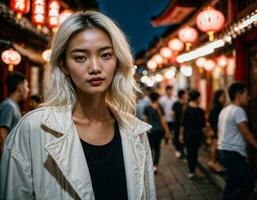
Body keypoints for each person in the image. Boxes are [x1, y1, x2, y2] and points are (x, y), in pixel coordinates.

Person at [0, 11, 156, 200]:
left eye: (106, 55)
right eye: (81, 57)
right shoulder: (34, 129)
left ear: (117, 60)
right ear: (63, 65)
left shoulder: (136, 132)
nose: (95, 67)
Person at [218, 82, 257, 200]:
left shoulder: (225, 110)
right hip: (233, 153)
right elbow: (245, 132)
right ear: (239, 95)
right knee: (249, 183)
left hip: (224, 152)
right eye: (246, 94)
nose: (248, 97)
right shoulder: (238, 111)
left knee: (232, 184)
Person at [0, 72, 29, 155]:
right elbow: (2, 135)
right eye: (26, 86)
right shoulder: (9, 106)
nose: (28, 90)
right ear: (20, 89)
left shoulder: (14, 105)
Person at [179, 90, 206, 178]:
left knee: (191, 152)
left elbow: (183, 124)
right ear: (197, 98)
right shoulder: (201, 110)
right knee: (194, 152)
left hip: (188, 134)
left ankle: (191, 171)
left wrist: (181, 135)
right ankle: (192, 170)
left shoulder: (187, 109)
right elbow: (203, 126)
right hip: (197, 135)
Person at [144, 91, 171, 174]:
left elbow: (145, 121)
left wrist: (145, 131)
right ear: (158, 98)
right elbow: (163, 120)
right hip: (159, 130)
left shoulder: (147, 108)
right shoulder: (160, 107)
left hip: (150, 131)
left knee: (150, 148)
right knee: (157, 148)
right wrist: (168, 132)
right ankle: (156, 166)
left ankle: (151, 166)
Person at [207, 89, 226, 173]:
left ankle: (214, 162)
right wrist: (217, 131)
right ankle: (213, 162)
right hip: (217, 130)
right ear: (218, 98)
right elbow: (214, 120)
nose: (225, 98)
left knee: (215, 146)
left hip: (216, 130)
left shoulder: (216, 106)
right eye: (223, 96)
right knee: (215, 146)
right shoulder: (217, 107)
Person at [172, 89, 188, 159]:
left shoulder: (187, 103)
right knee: (178, 137)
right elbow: (173, 114)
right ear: (182, 95)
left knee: (184, 138)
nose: (187, 95)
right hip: (178, 124)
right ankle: (180, 151)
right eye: (185, 94)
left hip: (186, 124)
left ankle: (183, 152)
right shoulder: (176, 104)